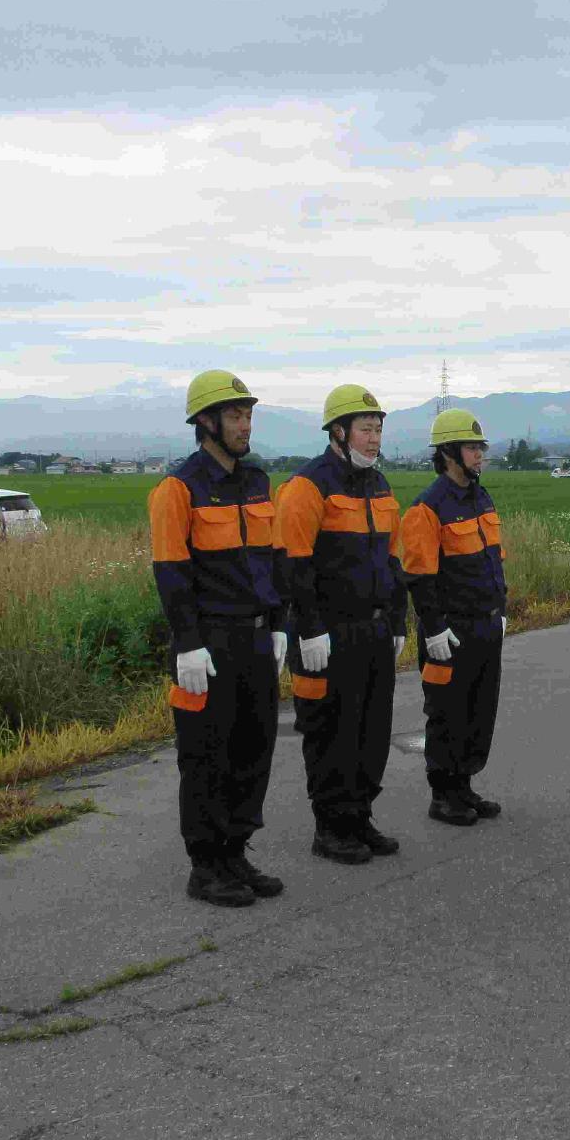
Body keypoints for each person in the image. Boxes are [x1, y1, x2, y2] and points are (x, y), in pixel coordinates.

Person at [148, 371, 289, 907]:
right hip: (208, 647)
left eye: (248, 415)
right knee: (207, 758)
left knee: (253, 751)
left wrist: (280, 625)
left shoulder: (257, 481)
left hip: (256, 640)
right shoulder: (179, 489)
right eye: (235, 415)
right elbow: (171, 571)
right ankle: (205, 867)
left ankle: (236, 852)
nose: (245, 425)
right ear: (206, 422)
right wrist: (187, 642)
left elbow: (273, 562)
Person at [274, 385, 407, 864]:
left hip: (373, 631)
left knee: (372, 732)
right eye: (366, 429)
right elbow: (292, 565)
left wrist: (398, 621)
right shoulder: (307, 486)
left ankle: (359, 817)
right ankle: (330, 827)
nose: (374, 439)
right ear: (338, 431)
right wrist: (308, 629)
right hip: (327, 635)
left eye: (378, 430)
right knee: (331, 733)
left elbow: (393, 560)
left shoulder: (380, 485)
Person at [400, 408, 509, 827]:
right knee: (447, 714)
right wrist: (434, 628)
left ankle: (464, 786)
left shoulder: (481, 497)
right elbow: (420, 576)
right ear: (448, 453)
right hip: (451, 631)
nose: (479, 454)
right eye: (471, 447)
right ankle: (443, 795)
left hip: (485, 625)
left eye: (481, 447)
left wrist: (501, 610)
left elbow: (494, 560)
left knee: (479, 712)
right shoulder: (428, 507)